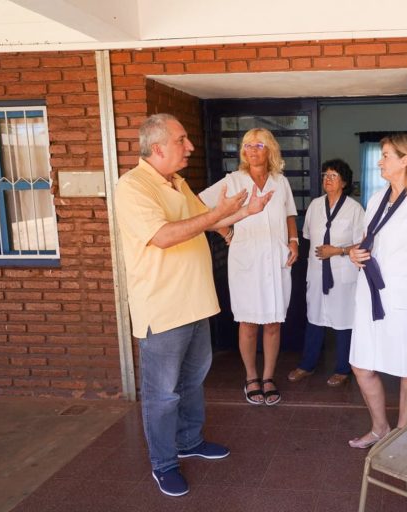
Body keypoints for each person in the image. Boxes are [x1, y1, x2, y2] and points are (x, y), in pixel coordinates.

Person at [115, 113, 272, 497]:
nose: (190, 147)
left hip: (196, 303)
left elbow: (201, 220)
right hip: (164, 309)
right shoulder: (132, 187)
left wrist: (244, 214)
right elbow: (164, 236)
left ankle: (189, 440)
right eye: (182, 140)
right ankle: (164, 463)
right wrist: (218, 215)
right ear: (158, 148)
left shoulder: (177, 182)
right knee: (163, 394)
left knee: (192, 382)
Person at [347, 133, 407, 449]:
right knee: (361, 365)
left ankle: (403, 437)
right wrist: (353, 253)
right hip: (370, 297)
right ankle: (380, 429)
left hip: (406, 300)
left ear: (405, 160)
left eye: (387, 155)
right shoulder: (375, 199)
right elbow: (368, 243)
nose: (380, 160)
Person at [199, 128, 298, 406]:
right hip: (246, 258)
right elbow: (200, 207)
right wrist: (225, 231)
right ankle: (251, 376)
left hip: (275, 257)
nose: (252, 150)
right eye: (247, 146)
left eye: (259, 145)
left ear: (270, 150)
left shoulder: (280, 181)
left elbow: (290, 214)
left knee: (273, 322)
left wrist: (294, 241)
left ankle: (268, 376)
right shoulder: (233, 181)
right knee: (249, 322)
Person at [287, 159, 364, 387]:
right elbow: (309, 237)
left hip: (343, 274)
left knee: (343, 321)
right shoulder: (314, 206)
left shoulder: (354, 209)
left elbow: (362, 245)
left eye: (333, 175)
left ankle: (343, 368)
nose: (327, 179)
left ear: (344, 182)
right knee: (315, 318)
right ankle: (307, 365)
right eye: (325, 175)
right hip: (318, 272)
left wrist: (337, 250)